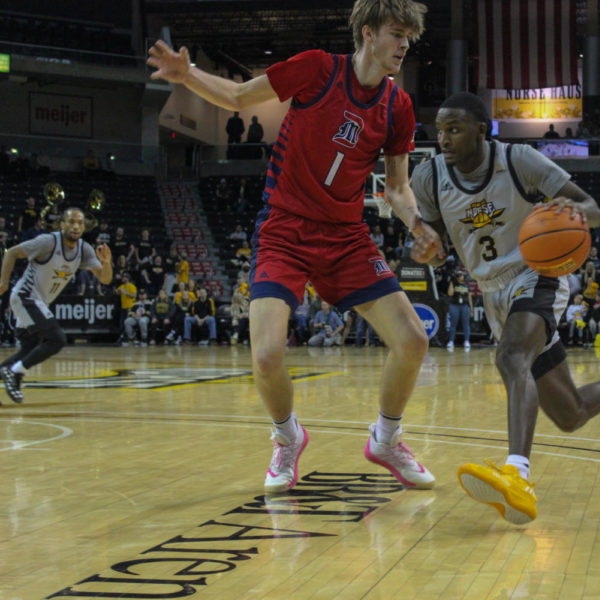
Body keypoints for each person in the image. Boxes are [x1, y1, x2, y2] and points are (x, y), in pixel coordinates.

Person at [148, 0, 439, 493]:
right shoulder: (318, 69)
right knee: (265, 355)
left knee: (413, 340)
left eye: (409, 36)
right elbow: (240, 96)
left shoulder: (398, 107)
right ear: (368, 33)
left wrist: (416, 222)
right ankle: (288, 438)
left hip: (346, 237)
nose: (404, 44)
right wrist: (187, 74)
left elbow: (395, 187)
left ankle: (386, 440)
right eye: (396, 33)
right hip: (285, 229)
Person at [410, 92, 600, 525]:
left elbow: (592, 210)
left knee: (511, 356)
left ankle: (518, 475)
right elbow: (438, 242)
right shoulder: (428, 176)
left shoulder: (520, 161)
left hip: (537, 273)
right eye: (439, 130)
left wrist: (573, 209)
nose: (443, 138)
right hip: (490, 289)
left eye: (455, 129)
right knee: (570, 413)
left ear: (482, 130)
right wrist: (428, 249)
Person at [0, 208, 112, 404]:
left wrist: (107, 262)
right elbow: (12, 253)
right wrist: (3, 283)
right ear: (62, 224)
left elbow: (104, 279)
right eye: (71, 222)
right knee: (57, 339)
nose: (76, 226)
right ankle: (14, 373)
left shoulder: (84, 249)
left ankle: (10, 370)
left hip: (39, 302)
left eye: (80, 223)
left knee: (29, 349)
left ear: (84, 227)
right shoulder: (48, 242)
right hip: (25, 297)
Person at [446, 271, 473, 350]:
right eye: (459, 275)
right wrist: (451, 282)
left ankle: (467, 341)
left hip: (465, 306)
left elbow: (469, 298)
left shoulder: (467, 285)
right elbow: (450, 294)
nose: (460, 276)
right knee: (453, 324)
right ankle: (451, 341)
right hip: (454, 306)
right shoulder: (454, 284)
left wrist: (471, 309)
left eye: (461, 275)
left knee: (466, 324)